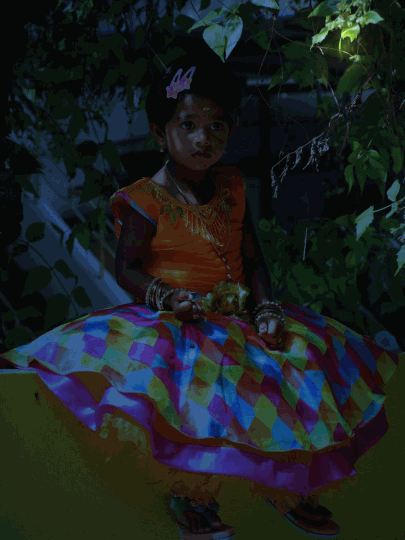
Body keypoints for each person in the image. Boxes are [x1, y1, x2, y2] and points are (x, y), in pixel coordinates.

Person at [1, 47, 404, 540]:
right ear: (160, 132)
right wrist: (168, 297)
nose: (203, 137)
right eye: (188, 124)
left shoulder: (233, 185)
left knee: (300, 365)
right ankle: (193, 496)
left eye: (216, 126)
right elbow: (125, 268)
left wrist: (268, 309)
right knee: (198, 389)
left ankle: (289, 487)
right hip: (182, 318)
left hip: (241, 317)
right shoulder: (144, 199)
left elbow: (253, 258)